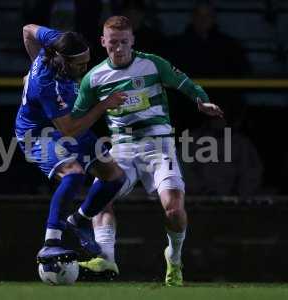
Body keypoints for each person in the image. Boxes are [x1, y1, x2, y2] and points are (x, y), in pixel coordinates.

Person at [72, 16, 224, 286]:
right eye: (113, 43)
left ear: (132, 40)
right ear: (103, 42)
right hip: (122, 146)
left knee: (174, 211)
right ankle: (106, 259)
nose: (118, 48)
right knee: (100, 197)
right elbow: (76, 118)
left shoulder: (152, 63)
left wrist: (202, 101)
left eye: (123, 42)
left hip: (158, 144)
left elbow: (185, 83)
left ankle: (174, 258)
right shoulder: (93, 78)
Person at [15, 24, 129, 264]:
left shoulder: (58, 40)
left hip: (66, 124)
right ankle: (51, 243)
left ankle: (77, 220)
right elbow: (68, 130)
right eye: (80, 64)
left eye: (87, 61)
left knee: (116, 177)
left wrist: (32, 61)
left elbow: (27, 30)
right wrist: (103, 105)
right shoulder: (47, 84)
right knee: (73, 174)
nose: (85, 67)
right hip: (38, 133)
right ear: (63, 61)